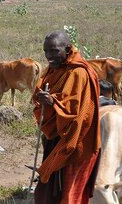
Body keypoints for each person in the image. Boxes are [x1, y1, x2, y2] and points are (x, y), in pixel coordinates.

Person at [32, 31, 101, 204]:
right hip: (57, 138)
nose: (49, 56)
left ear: (68, 49)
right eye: (46, 51)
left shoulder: (79, 72)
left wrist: (53, 102)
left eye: (54, 51)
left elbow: (77, 112)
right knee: (50, 190)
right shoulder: (54, 69)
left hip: (76, 142)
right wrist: (43, 100)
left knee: (70, 192)